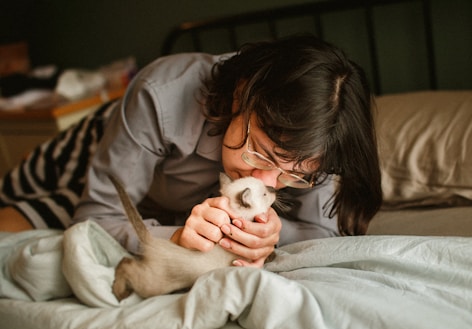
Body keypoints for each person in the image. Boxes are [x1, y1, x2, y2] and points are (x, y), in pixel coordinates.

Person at [0, 35, 382, 267]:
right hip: (89, 149)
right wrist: (178, 237)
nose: (266, 185)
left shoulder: (319, 139)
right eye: (261, 154)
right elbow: (98, 217)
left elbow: (322, 232)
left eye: (293, 174)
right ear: (239, 94)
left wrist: (274, 235)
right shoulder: (160, 94)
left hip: (158, 204)